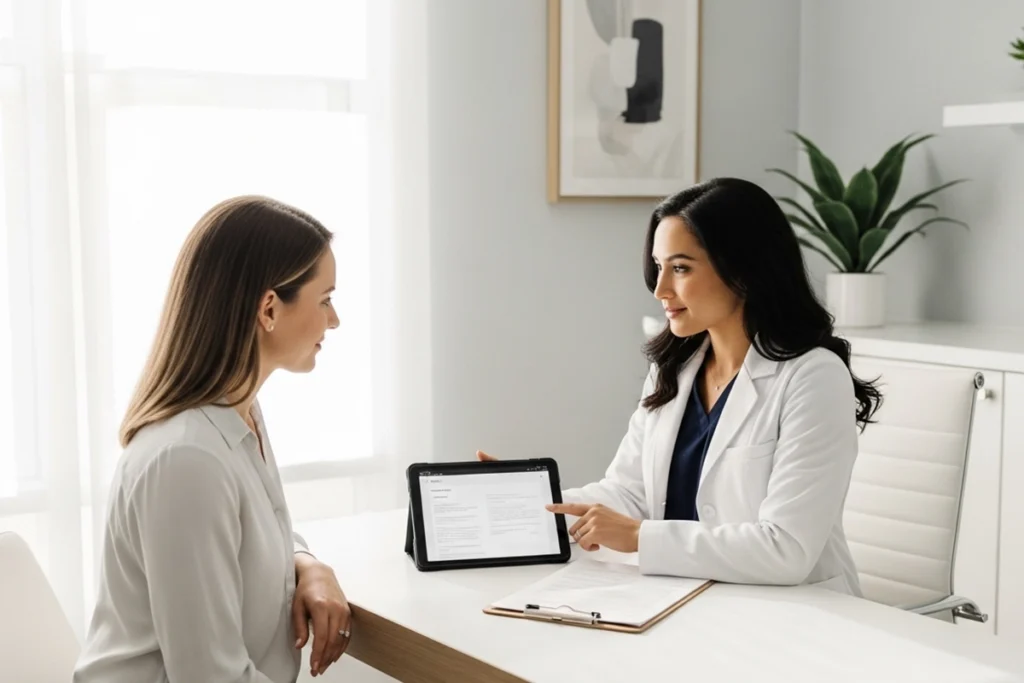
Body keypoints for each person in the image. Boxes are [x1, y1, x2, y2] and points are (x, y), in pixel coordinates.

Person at [479, 177, 881, 596]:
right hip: (686, 596)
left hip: (795, 615)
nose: (659, 289)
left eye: (681, 268)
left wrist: (639, 537)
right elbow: (628, 492)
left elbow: (786, 549)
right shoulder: (675, 367)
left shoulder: (812, 377)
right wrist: (529, 500)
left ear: (742, 269)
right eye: (658, 266)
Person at [74, 196, 352, 682]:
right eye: (325, 299)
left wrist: (306, 562)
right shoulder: (186, 459)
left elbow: (250, 536)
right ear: (269, 308)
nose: (334, 320)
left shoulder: (239, 417)